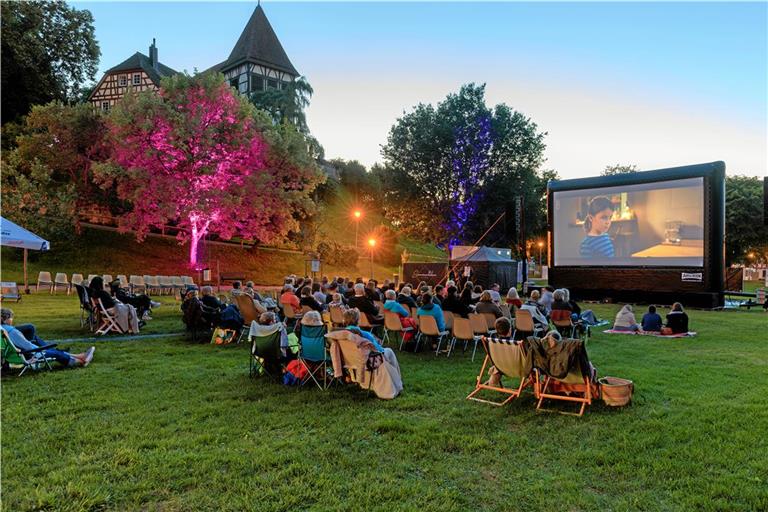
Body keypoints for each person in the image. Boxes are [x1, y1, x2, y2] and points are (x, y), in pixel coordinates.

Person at [2, 308, 94, 368]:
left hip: (11, 356)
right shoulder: (12, 332)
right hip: (29, 355)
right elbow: (28, 346)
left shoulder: (2, 330)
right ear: (7, 319)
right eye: (11, 318)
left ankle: (81, 356)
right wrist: (41, 348)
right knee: (55, 353)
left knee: (51, 349)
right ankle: (79, 362)